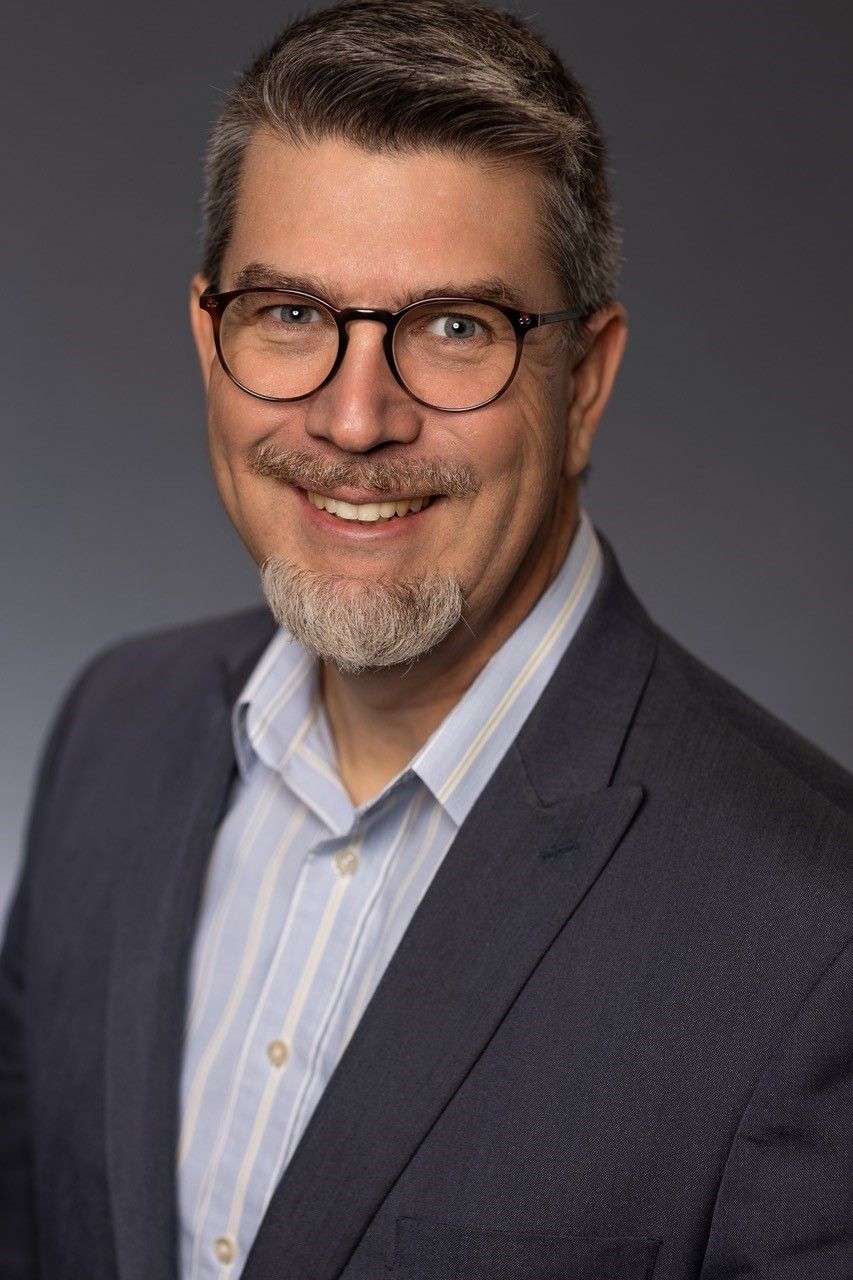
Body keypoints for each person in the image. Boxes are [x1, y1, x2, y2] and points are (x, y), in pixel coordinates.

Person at [2, 0, 852, 1276]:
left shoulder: (814, 933)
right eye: (290, 312)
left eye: (456, 327)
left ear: (584, 382)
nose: (354, 420)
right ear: (208, 338)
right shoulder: (109, 735)